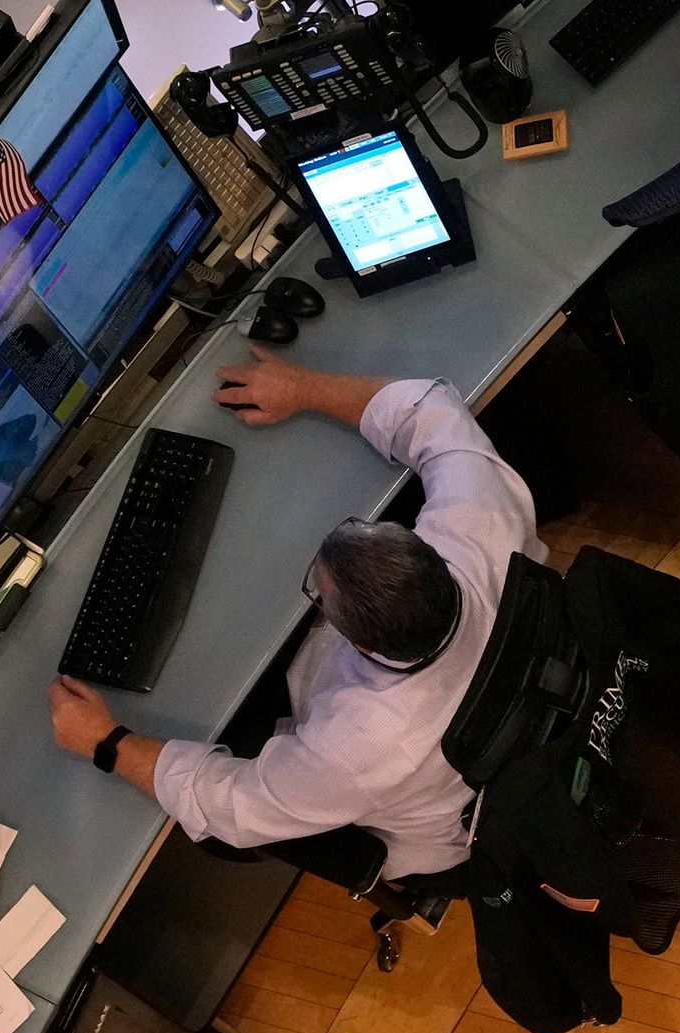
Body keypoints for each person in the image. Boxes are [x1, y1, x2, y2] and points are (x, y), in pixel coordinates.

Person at [49, 348, 535, 896]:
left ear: (358, 645)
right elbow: (430, 409)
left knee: (218, 750)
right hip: (530, 713)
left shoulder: (355, 749)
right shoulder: (481, 527)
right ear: (426, 546)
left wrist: (106, 741)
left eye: (319, 597)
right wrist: (301, 386)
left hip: (453, 821)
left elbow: (231, 806)